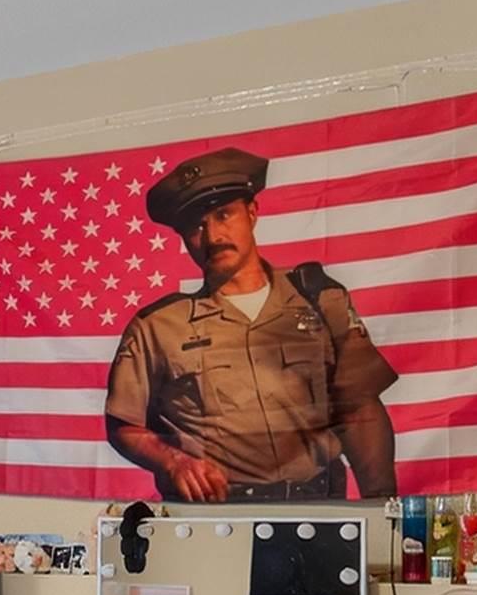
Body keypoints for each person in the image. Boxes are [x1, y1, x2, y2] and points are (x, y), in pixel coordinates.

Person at [102, 146, 398, 501]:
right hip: (217, 520)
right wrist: (172, 461)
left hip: (316, 512)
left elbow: (360, 410)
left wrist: (381, 506)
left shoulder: (319, 299)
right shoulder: (157, 327)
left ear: (252, 213)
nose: (212, 236)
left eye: (224, 215)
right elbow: (123, 424)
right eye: (196, 226)